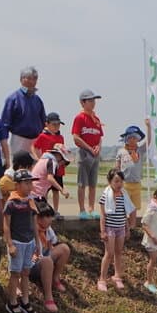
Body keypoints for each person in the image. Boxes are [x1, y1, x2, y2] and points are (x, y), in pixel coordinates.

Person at [3, 169, 42, 313]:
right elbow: (6, 225)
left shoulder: (30, 200)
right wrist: (10, 244)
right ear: (17, 185)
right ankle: (12, 302)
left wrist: (37, 243)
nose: (29, 185)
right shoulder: (11, 202)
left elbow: (34, 224)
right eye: (26, 183)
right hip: (17, 242)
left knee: (26, 272)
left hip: (29, 242)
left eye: (30, 182)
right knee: (15, 273)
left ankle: (25, 300)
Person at [97, 169, 135, 291]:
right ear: (110, 181)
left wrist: (127, 228)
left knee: (119, 253)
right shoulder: (105, 195)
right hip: (110, 228)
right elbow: (103, 215)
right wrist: (102, 231)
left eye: (121, 182)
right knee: (109, 253)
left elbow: (125, 213)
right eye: (116, 181)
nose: (119, 184)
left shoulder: (124, 195)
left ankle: (117, 276)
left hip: (121, 228)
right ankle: (102, 279)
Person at [30, 201, 71, 313]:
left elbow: (53, 243)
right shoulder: (31, 231)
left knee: (64, 248)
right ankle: (48, 297)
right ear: (37, 218)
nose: (50, 219)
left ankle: (55, 278)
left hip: (44, 260)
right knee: (47, 260)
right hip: (32, 266)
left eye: (51, 216)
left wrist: (51, 250)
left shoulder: (47, 229)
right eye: (47, 216)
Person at [2, 67, 46, 162]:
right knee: (18, 167)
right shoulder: (13, 98)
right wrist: (3, 143)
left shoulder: (37, 100)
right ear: (21, 79)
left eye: (34, 79)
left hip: (36, 140)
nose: (32, 81)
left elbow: (43, 121)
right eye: (29, 78)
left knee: (36, 169)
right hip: (19, 139)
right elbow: (5, 123)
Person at [71, 89, 104, 219]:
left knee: (93, 184)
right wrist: (89, 148)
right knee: (82, 183)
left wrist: (98, 147)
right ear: (83, 102)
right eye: (90, 100)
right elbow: (75, 137)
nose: (93, 103)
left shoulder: (96, 119)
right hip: (84, 153)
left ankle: (91, 208)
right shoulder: (79, 118)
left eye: (94, 100)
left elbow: (100, 136)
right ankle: (82, 209)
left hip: (95, 154)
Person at [32, 112, 68, 214]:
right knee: (45, 188)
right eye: (54, 124)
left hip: (58, 168)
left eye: (58, 124)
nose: (56, 127)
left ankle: (56, 210)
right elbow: (34, 147)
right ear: (47, 124)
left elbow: (63, 151)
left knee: (56, 190)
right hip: (47, 166)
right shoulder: (43, 136)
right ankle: (44, 208)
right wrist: (38, 159)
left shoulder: (60, 137)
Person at [115, 120, 152, 212]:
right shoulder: (121, 151)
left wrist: (148, 127)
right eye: (130, 137)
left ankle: (132, 225)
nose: (132, 140)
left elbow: (149, 141)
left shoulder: (140, 150)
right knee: (123, 207)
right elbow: (117, 167)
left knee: (134, 208)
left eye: (134, 138)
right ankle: (124, 225)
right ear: (126, 139)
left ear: (138, 139)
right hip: (125, 184)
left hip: (136, 184)